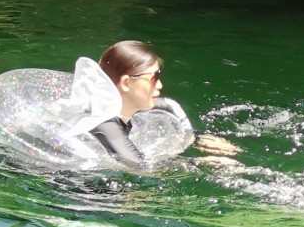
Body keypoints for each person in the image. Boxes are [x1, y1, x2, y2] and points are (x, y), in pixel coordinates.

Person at [91, 39, 240, 167]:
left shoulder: (126, 107)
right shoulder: (103, 123)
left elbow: (169, 106)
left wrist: (199, 138)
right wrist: (202, 163)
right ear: (126, 83)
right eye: (153, 78)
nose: (160, 85)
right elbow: (140, 167)